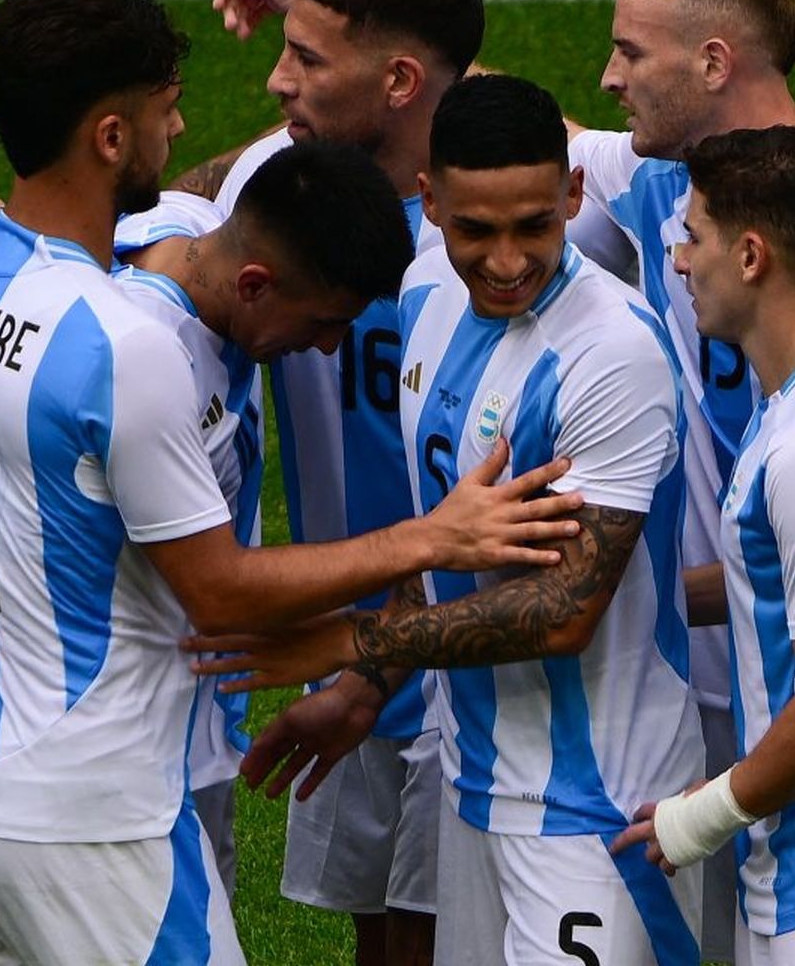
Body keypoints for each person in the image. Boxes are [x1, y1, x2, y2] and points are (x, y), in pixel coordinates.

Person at [0, 0, 583, 964]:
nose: (178, 139)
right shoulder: (124, 348)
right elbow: (217, 589)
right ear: (111, 137)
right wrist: (435, 537)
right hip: (89, 818)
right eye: (164, 118)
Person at [192, 74, 705, 965]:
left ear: (573, 196)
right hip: (476, 789)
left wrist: (353, 648)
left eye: (534, 226)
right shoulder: (424, 300)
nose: (506, 261)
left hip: (601, 809)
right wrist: (361, 696)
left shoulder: (610, 353)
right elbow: (443, 544)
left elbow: (562, 611)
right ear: (428, 203)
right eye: (476, 230)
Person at [565, 0, 795, 962]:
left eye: (631, 52)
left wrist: (694, 819)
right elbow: (492, 122)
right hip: (734, 667)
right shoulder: (654, 180)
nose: (671, 259)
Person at [189, 0, 486, 965]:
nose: (278, 80)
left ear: (400, 81)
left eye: (307, 58)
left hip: (466, 651)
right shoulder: (267, 184)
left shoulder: (504, 229)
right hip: (332, 634)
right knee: (383, 941)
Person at [613, 126, 795, 963]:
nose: (677, 262)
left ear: (750, 257)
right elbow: (787, 587)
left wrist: (698, 817)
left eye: (692, 237)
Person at [112, 137, 417, 896]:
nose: (327, 347)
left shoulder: (174, 231)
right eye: (321, 322)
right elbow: (220, 590)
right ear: (254, 284)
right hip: (134, 760)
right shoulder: (153, 368)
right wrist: (435, 539)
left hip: (179, 739)